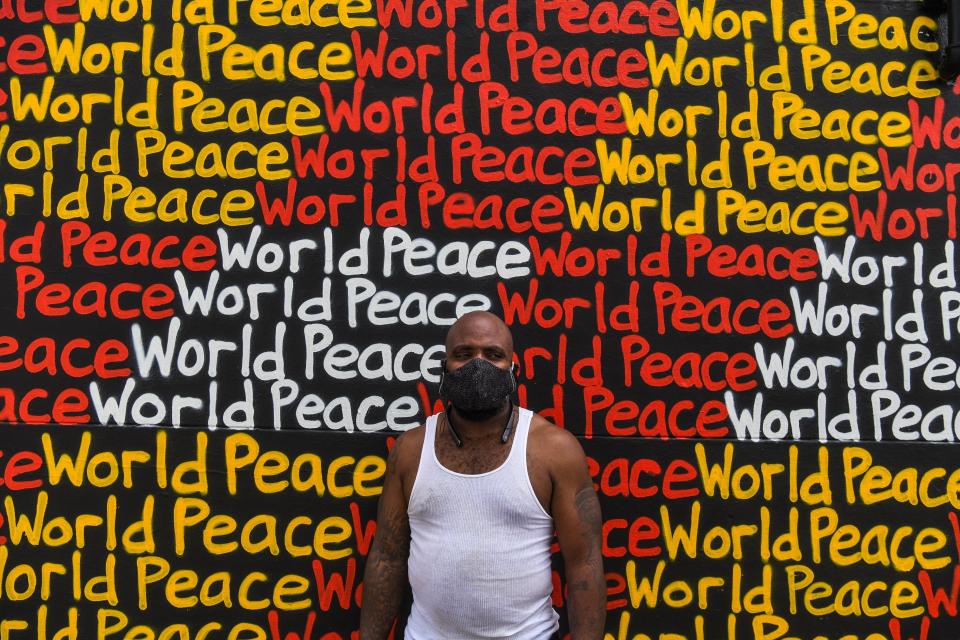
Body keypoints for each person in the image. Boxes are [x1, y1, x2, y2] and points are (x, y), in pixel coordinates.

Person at [359, 311, 605, 640]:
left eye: (493, 355)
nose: (479, 364)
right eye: (464, 354)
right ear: (444, 366)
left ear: (512, 369)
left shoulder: (554, 450)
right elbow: (387, 557)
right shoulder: (410, 451)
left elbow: (584, 564)